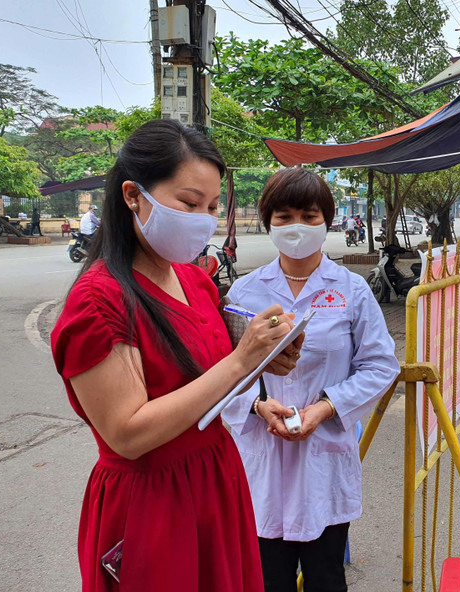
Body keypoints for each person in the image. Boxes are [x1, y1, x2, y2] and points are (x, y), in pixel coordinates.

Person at [51, 119, 303, 592]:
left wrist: (265, 361)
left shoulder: (194, 281)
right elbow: (127, 433)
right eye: (188, 203)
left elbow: (207, 382)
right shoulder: (99, 303)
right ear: (132, 195)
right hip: (153, 502)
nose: (202, 219)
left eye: (210, 207)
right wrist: (241, 360)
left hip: (215, 480)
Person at [222, 168, 399, 592]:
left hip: (324, 453)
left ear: (327, 221)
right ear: (268, 223)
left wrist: (325, 407)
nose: (296, 226)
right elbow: (224, 372)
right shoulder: (245, 293)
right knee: (266, 579)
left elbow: (380, 365)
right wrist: (255, 405)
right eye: (283, 217)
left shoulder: (351, 290)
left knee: (325, 577)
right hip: (260, 453)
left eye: (309, 215)